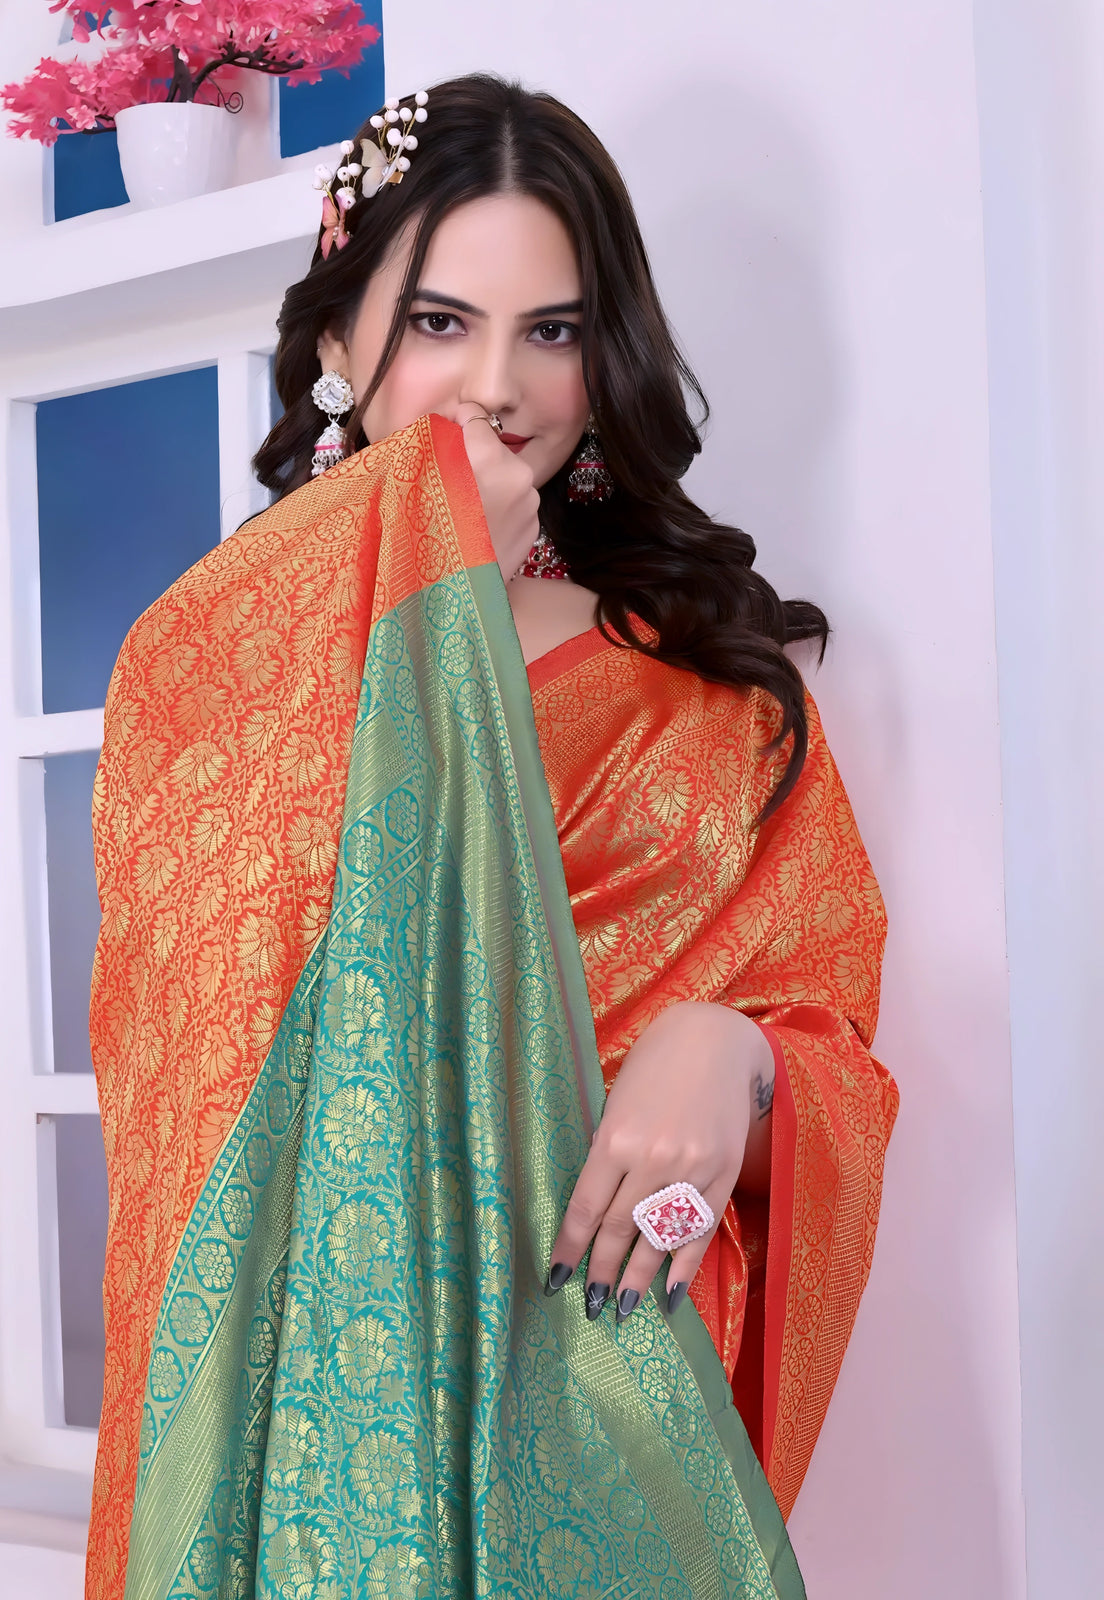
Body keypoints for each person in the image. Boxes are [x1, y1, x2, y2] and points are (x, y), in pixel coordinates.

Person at [86, 74, 898, 1600]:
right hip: (285, 1456)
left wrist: (738, 1053)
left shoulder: (694, 692)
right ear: (337, 344)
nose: (498, 387)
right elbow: (191, 1108)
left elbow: (828, 1039)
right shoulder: (205, 674)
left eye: (554, 329)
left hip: (578, 1422)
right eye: (442, 322)